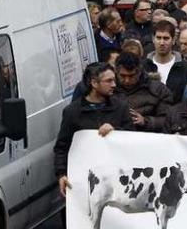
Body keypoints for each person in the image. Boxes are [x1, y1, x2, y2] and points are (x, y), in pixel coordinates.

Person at [54, 63, 132, 196]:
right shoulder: (72, 112)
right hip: (85, 179)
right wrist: (62, 174)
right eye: (109, 81)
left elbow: (133, 138)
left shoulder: (121, 107)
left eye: (114, 80)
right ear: (94, 83)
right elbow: (62, 147)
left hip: (117, 177)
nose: (114, 85)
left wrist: (115, 130)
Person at [114, 52, 173, 132]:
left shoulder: (158, 90)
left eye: (131, 76)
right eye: (122, 76)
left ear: (139, 72)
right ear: (116, 72)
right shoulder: (109, 88)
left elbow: (168, 120)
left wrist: (145, 121)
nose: (127, 80)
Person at [143, 20, 187, 103]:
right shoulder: (143, 66)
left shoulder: (185, 68)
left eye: (166, 38)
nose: (162, 43)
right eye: (158, 38)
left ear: (174, 40)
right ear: (153, 39)